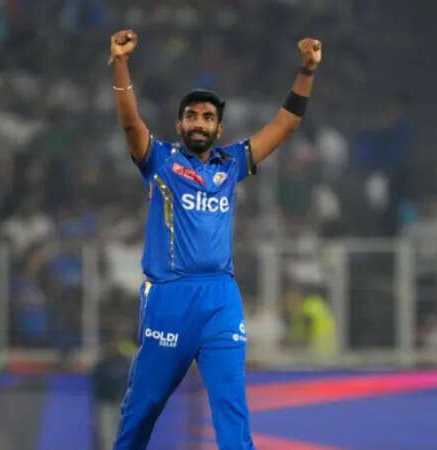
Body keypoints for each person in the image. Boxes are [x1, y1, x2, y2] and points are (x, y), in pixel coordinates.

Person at [107, 28, 322, 449]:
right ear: (179, 124)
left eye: (207, 117)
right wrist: (120, 63)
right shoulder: (160, 160)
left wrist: (307, 70)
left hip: (221, 298)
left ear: (219, 127)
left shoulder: (231, 163)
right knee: (143, 407)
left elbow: (286, 123)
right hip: (170, 297)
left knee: (231, 404)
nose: (199, 123)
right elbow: (130, 122)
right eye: (192, 116)